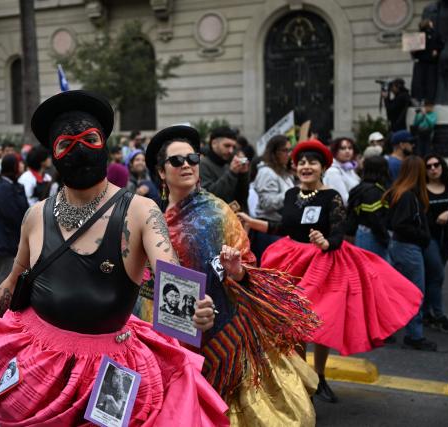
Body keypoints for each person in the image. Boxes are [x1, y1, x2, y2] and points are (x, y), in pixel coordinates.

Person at [0, 90, 228, 426]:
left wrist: (195, 310)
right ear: (52, 154)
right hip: (40, 366)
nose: (78, 150)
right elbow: (13, 283)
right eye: (65, 143)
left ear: (107, 146)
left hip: (109, 373)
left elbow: (173, 279)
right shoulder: (35, 216)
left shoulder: (141, 212)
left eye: (89, 138)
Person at [142, 126, 320, 426]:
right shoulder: (149, 215)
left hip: (222, 325)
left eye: (192, 158)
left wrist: (236, 269)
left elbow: (246, 264)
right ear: (161, 172)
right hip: (168, 329)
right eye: (176, 161)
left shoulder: (217, 210)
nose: (186, 164)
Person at [244, 139, 423, 403]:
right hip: (291, 262)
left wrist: (326, 242)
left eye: (312, 162)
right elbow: (283, 227)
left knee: (319, 322)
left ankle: (319, 375)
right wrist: (251, 221)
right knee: (294, 325)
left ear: (323, 167)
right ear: (295, 167)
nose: (306, 167)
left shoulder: (332, 196)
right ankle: (303, 378)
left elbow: (340, 230)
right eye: (302, 162)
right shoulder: (292, 195)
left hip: (322, 264)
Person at [385, 156, 437, 351]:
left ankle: (391, 331)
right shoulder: (408, 195)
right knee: (415, 293)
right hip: (408, 248)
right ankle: (414, 335)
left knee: (399, 292)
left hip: (400, 246)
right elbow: (401, 224)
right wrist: (423, 236)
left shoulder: (400, 192)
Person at [422, 154, 448, 334]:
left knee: (433, 277)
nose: (433, 169)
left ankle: (426, 312)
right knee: (437, 275)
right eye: (429, 167)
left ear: (442, 166)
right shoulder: (421, 190)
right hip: (428, 239)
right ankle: (438, 315)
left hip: (447, 239)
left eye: (436, 165)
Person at [251, 135, 295, 263]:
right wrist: (291, 194)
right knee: (270, 272)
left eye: (289, 150)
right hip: (268, 230)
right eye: (285, 150)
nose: (289, 154)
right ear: (274, 152)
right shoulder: (266, 172)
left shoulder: (284, 172)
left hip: (281, 228)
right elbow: (267, 204)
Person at [0, 154, 29, 287]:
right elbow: (12, 214)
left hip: (11, 238)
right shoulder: (3, 187)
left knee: (11, 276)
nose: (22, 165)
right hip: (5, 239)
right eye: (19, 163)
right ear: (13, 166)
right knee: (5, 278)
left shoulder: (13, 185)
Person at [345, 156, 391, 260]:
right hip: (372, 237)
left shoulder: (361, 187)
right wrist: (386, 239)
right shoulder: (373, 192)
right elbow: (375, 219)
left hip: (361, 233)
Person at [199, 127, 249, 207]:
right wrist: (232, 173)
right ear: (214, 143)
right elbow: (211, 197)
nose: (231, 151)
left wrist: (243, 175)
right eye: (227, 146)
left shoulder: (226, 165)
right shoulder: (202, 165)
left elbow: (241, 198)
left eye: (233, 147)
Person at [411, 19, 442, 103]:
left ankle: (420, 99)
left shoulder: (418, 35)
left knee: (420, 82)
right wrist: (436, 50)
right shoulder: (434, 34)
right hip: (430, 63)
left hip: (421, 62)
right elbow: (440, 45)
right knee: (430, 83)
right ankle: (429, 100)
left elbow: (413, 52)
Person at [323, 137, 360, 206]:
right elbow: (343, 199)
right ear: (335, 151)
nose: (347, 151)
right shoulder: (333, 171)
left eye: (350, 148)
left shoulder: (349, 168)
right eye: (343, 148)